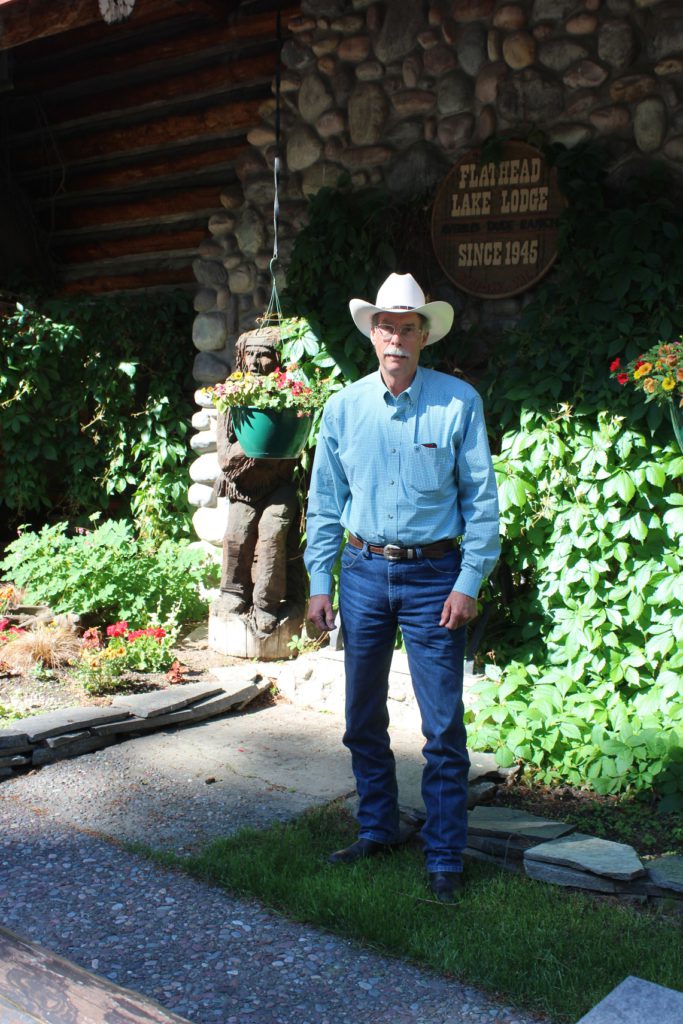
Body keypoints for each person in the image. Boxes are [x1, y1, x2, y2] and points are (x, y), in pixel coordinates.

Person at [305, 273, 500, 902]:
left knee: (442, 727)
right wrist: (318, 580)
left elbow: (482, 502)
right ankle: (379, 827)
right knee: (362, 715)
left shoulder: (457, 403)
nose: (395, 337)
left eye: (407, 327)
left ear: (423, 336)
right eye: (385, 325)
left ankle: (444, 856)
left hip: (434, 578)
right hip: (361, 574)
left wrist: (468, 580)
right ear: (372, 333)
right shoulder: (343, 408)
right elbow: (325, 502)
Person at [214, 328, 302, 635]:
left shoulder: (293, 395)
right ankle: (233, 592)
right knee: (236, 535)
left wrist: (274, 445)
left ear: (279, 359)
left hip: (280, 487)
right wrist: (263, 444)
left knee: (272, 534)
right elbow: (226, 457)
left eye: (264, 354)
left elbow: (298, 448)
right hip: (243, 489)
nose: (254, 361)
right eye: (249, 353)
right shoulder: (232, 395)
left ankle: (267, 603)